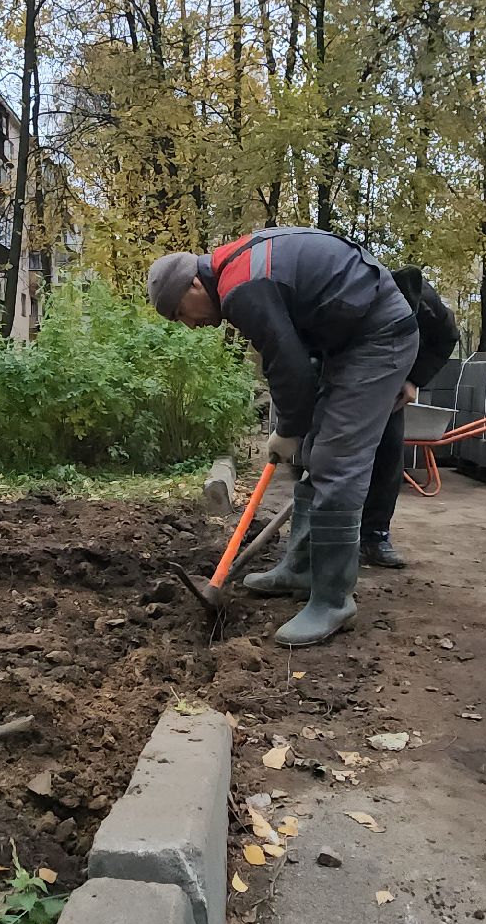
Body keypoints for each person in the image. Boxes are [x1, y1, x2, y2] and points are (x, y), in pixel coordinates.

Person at [148, 228, 419, 647]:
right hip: (348, 342)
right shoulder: (237, 271)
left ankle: (332, 600)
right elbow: (291, 356)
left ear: (195, 285)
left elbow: (287, 365)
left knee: (336, 462)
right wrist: (296, 431)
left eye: (182, 312)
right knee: (314, 454)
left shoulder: (241, 287)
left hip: (376, 337)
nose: (190, 325)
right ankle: (302, 569)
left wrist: (288, 428)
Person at [241, 267, 459, 585]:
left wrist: (414, 378)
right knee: (320, 454)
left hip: (388, 374)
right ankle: (309, 550)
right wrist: (291, 425)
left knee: (387, 452)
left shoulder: (426, 304)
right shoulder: (342, 293)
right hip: (335, 364)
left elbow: (447, 337)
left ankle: (374, 536)